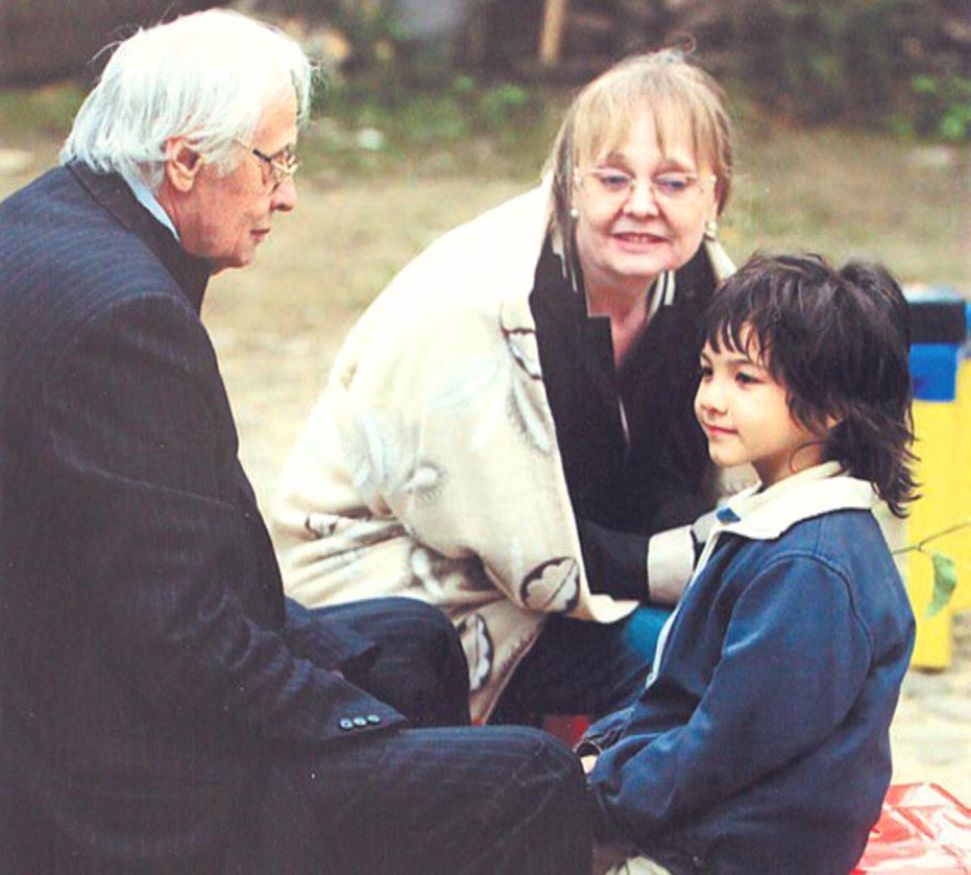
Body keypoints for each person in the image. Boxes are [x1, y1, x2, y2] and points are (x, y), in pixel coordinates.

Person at [0, 10, 592, 873]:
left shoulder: (38, 224)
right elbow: (184, 642)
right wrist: (367, 726)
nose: (286, 195)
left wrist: (356, 705)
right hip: (115, 791)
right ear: (184, 161)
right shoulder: (127, 320)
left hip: (71, 675)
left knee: (413, 638)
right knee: (534, 778)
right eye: (272, 162)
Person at [271, 49, 739, 725]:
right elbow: (520, 546)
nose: (641, 206)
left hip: (557, 577)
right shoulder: (485, 304)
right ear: (568, 185)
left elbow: (683, 480)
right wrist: (676, 566)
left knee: (745, 635)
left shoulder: (701, 295)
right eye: (613, 178)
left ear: (713, 196)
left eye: (673, 183)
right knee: (678, 656)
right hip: (399, 578)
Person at [580, 253, 918, 874]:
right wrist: (603, 756)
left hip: (733, 852)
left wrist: (602, 795)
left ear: (832, 404)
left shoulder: (811, 567)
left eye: (745, 379)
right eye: (708, 371)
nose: (712, 398)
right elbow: (687, 698)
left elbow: (728, 746)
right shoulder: (771, 522)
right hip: (700, 826)